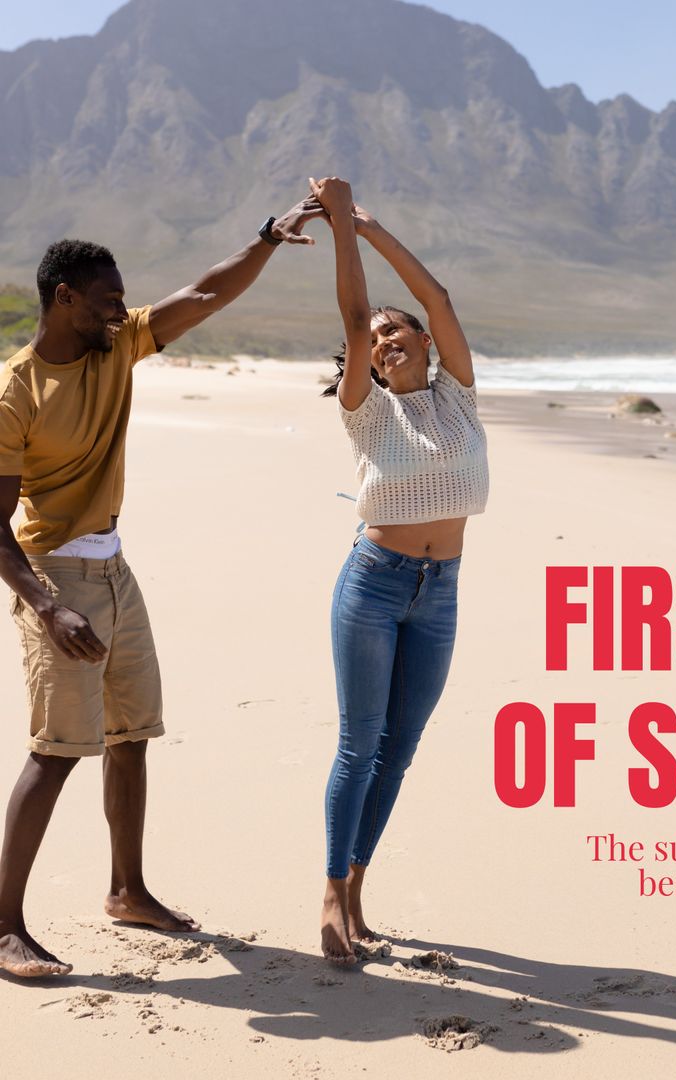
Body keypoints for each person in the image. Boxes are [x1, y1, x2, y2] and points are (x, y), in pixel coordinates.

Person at [0, 198, 325, 978]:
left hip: (115, 568)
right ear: (64, 299)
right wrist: (48, 606)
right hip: (57, 577)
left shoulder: (116, 347)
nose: (121, 307)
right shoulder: (15, 392)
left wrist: (265, 240)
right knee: (55, 752)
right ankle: (3, 925)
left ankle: (127, 891)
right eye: (107, 297)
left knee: (132, 733)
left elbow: (207, 294)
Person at [309, 176, 488, 964]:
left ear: (423, 340)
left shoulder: (459, 398)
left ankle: (357, 887)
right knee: (359, 745)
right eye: (375, 340)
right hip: (375, 584)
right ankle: (329, 895)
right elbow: (353, 318)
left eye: (398, 329)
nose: (384, 339)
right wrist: (342, 229)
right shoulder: (368, 411)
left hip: (439, 594)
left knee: (400, 749)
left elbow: (439, 293)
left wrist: (373, 227)